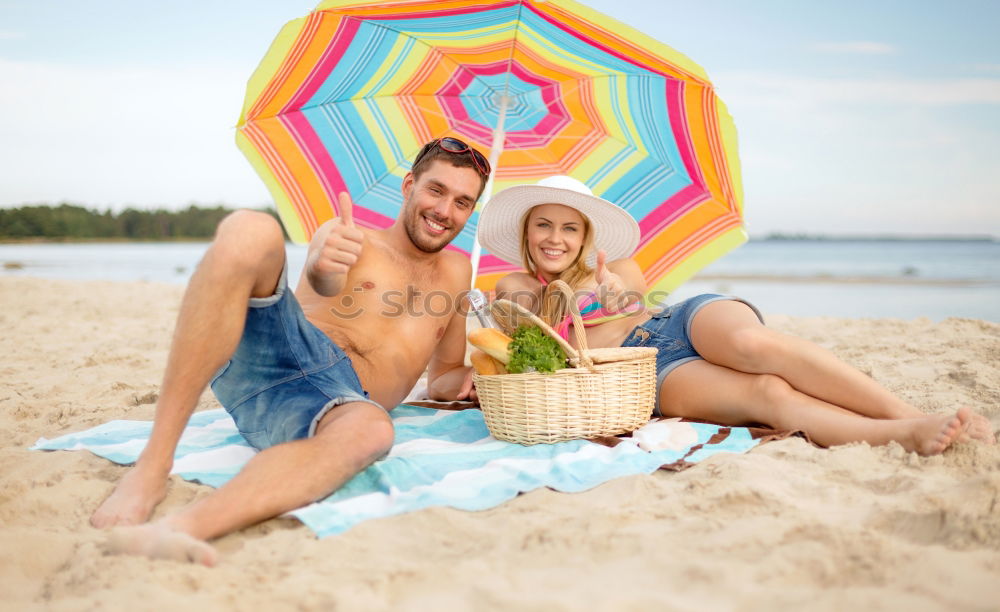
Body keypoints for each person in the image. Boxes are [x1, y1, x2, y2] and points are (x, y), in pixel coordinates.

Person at [90, 138, 490, 565]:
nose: (445, 211)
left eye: (463, 202)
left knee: (374, 432)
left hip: (332, 408)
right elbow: (323, 279)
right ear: (410, 185)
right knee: (253, 229)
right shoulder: (349, 238)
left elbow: (444, 372)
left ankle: (178, 531)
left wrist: (467, 383)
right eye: (436, 190)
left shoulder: (458, 271)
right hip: (282, 353)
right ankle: (152, 466)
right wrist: (323, 264)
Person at [477, 175, 995, 457]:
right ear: (526, 235)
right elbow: (532, 337)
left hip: (677, 321)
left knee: (754, 347)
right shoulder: (515, 286)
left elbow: (630, 301)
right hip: (644, 371)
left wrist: (612, 293)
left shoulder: (618, 267)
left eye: (569, 228)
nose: (554, 238)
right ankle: (904, 434)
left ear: (586, 236)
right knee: (766, 393)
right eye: (543, 226)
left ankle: (902, 410)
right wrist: (569, 298)